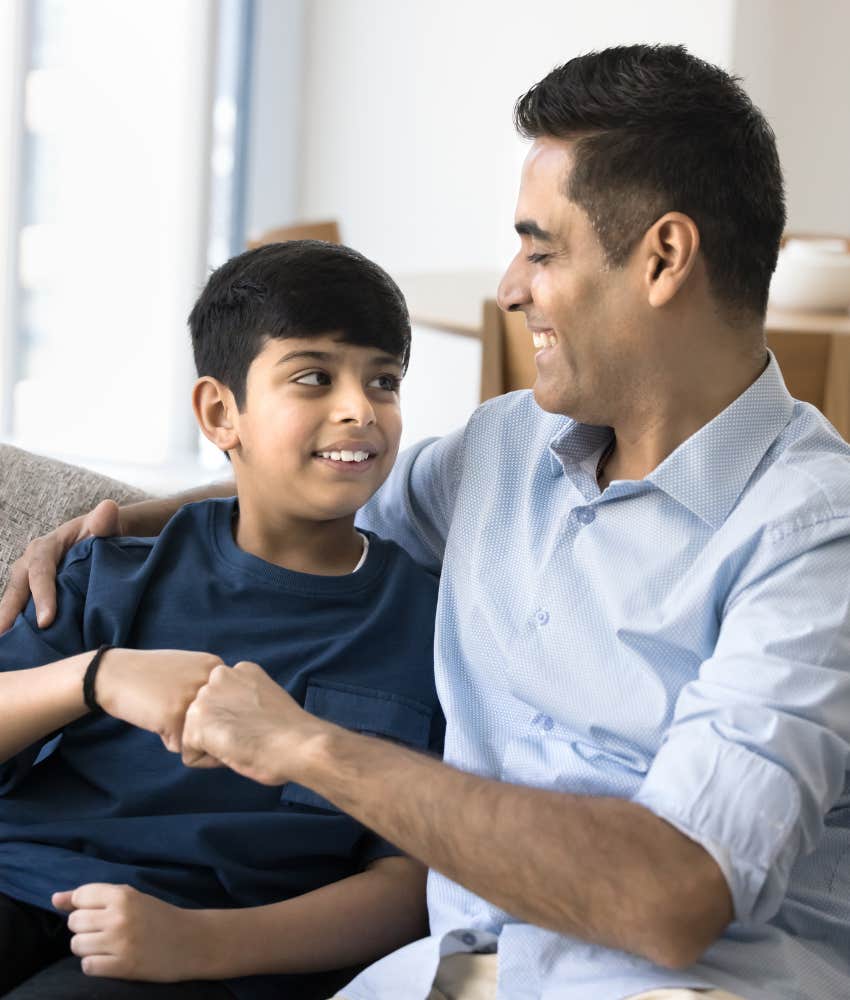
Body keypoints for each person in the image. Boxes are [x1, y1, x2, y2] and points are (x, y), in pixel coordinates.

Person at [4, 43, 850, 1000]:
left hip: (683, 982)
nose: (511, 286)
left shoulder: (815, 537)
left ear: (662, 259)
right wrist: (107, 521)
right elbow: (314, 492)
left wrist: (304, 745)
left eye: (541, 248)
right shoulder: (504, 450)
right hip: (438, 971)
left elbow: (675, 898)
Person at [0, 240, 445, 999]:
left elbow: (407, 886)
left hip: (206, 948)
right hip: (20, 881)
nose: (359, 409)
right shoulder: (115, 570)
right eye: (314, 377)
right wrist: (97, 678)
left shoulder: (427, 625)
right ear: (219, 411)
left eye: (384, 381)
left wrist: (200, 944)